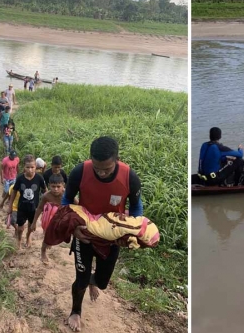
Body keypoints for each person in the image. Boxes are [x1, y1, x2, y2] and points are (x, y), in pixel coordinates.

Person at [61, 136, 143, 332]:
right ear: (91, 159)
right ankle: (76, 311)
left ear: (117, 159)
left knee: (103, 282)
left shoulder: (129, 177)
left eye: (106, 168)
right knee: (80, 278)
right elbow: (66, 200)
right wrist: (74, 229)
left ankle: (93, 281)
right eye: (97, 167)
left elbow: (137, 208)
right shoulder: (80, 172)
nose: (101, 172)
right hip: (85, 234)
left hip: (112, 238)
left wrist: (132, 233)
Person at [8, 154, 47, 249]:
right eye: (27, 167)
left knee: (31, 226)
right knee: (20, 228)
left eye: (32, 167)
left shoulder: (39, 178)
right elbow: (14, 191)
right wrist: (10, 206)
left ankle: (28, 237)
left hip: (34, 208)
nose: (30, 170)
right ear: (24, 167)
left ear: (35, 167)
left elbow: (45, 191)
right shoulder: (20, 178)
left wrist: (46, 205)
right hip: (21, 207)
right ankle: (19, 240)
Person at [33, 173, 65, 263]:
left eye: (58, 186)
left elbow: (77, 205)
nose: (55, 189)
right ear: (49, 185)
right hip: (48, 217)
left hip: (61, 218)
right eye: (53, 186)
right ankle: (43, 251)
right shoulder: (46, 196)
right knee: (47, 236)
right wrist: (34, 222)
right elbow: (39, 208)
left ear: (63, 185)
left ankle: (50, 240)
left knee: (55, 236)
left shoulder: (67, 194)